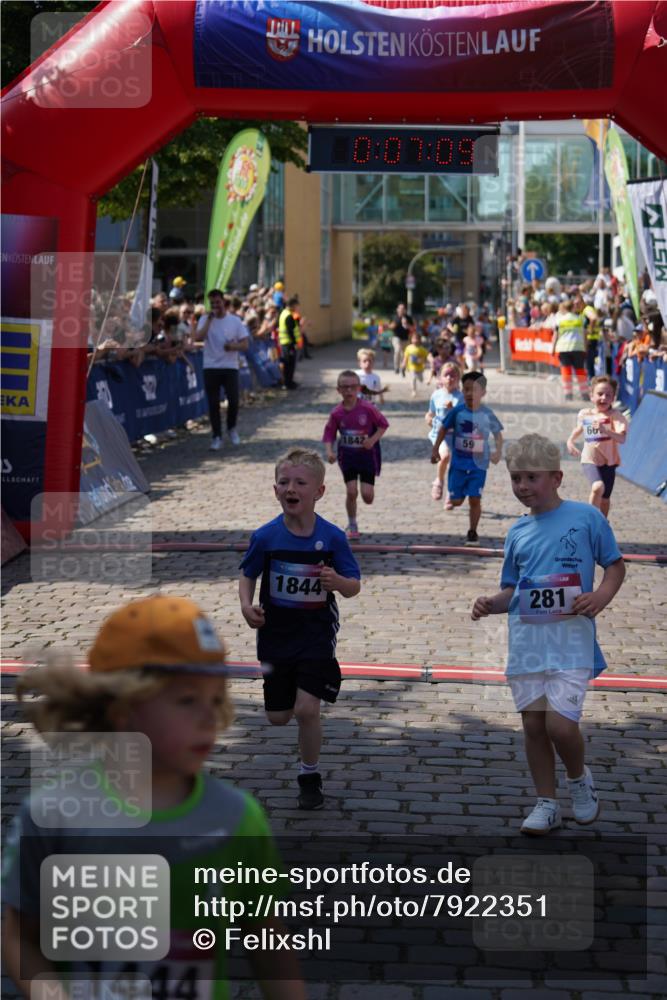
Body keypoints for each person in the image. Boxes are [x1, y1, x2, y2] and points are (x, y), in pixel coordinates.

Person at [2, 595, 305, 1000]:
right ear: (123, 708)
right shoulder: (52, 817)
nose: (208, 717)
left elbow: (268, 944)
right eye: (186, 700)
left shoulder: (236, 818)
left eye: (215, 699)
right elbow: (19, 935)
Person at [471, 434, 625, 835]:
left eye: (531, 478)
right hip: (527, 646)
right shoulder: (516, 533)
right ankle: (546, 802)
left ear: (556, 478)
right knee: (534, 726)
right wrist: (491, 602)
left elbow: (615, 566)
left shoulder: (587, 517)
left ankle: (578, 780)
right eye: (516, 478)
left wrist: (601, 597)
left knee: (560, 726)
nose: (522, 486)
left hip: (571, 644)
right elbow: (513, 590)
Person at [239, 448, 361, 810]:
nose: (290, 488)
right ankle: (296, 691)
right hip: (276, 636)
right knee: (279, 717)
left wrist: (337, 581)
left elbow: (354, 586)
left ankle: (310, 775)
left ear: (319, 492)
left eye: (299, 483)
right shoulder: (265, 537)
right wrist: (247, 607)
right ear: (275, 490)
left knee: (308, 710)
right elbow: (248, 574)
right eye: (284, 482)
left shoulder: (333, 537)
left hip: (316, 634)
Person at [431, 371, 503, 546]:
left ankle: (473, 531)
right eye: (467, 390)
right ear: (463, 391)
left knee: (475, 499)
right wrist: (435, 450)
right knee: (456, 501)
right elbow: (442, 429)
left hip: (479, 465)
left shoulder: (487, 413)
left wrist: (497, 452)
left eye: (475, 390)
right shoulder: (457, 412)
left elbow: (498, 434)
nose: (470, 394)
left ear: (483, 392)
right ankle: (455, 493)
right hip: (458, 464)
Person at [323, 370, 389, 540]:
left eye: (352, 387)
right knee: (351, 491)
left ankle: (357, 513)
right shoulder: (336, 413)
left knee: (368, 496)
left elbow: (383, 425)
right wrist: (330, 451)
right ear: (338, 390)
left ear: (359, 388)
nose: (349, 391)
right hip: (347, 457)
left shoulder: (368, 408)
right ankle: (352, 524)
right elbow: (329, 434)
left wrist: (372, 440)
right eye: (345, 387)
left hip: (367, 457)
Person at [566, 375, 628, 519]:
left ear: (613, 398)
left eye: (608, 395)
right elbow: (578, 429)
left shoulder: (616, 416)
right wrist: (570, 441)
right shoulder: (585, 414)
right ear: (591, 396)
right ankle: (591, 520)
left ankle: (603, 523)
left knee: (605, 500)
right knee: (598, 487)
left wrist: (605, 430)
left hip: (609, 462)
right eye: (600, 394)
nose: (604, 398)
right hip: (590, 459)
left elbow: (622, 439)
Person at [195, 289, 249, 451]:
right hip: (210, 366)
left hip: (230, 366)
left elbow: (245, 344)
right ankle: (216, 436)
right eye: (212, 303)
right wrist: (209, 320)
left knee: (233, 400)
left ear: (223, 302)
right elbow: (198, 337)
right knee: (213, 404)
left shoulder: (234, 321)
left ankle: (231, 428)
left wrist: (233, 346)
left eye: (217, 302)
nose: (215, 306)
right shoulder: (205, 319)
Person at [426, 362, 463, 507]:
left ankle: (450, 493)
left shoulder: (461, 397)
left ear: (458, 378)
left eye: (453, 375)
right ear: (440, 378)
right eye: (446, 375)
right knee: (445, 456)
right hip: (440, 435)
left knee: (454, 465)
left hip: (456, 436)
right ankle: (439, 481)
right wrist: (428, 419)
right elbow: (430, 413)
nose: (449, 378)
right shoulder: (436, 395)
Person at [550, 298, 589, 401]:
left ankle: (568, 394)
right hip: (578, 348)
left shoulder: (559, 320)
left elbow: (555, 335)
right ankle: (584, 394)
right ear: (573, 307)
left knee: (566, 371)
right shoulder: (581, 319)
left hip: (563, 348)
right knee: (580, 371)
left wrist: (553, 349)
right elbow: (585, 335)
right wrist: (585, 348)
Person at [278, 295, 300, 390]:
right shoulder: (288, 316)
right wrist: (295, 343)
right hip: (289, 344)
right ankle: (289, 383)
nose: (296, 308)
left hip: (284, 343)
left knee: (287, 364)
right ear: (292, 305)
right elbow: (290, 331)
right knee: (290, 365)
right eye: (296, 306)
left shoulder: (283, 313)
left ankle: (289, 382)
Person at [401, 329, 430, 397]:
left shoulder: (422, 349)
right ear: (411, 339)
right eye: (414, 339)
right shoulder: (408, 348)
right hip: (411, 367)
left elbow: (426, 357)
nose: (415, 340)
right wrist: (403, 364)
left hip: (420, 368)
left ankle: (420, 381)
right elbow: (406, 357)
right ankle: (414, 390)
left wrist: (424, 362)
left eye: (417, 339)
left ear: (420, 340)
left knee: (421, 379)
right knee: (413, 378)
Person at [390, 302, 413, 374]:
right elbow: (390, 326)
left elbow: (412, 328)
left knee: (405, 354)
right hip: (396, 337)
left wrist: (407, 324)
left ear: (405, 310)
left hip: (406, 338)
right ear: (397, 310)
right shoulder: (394, 317)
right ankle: (396, 367)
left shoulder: (408, 318)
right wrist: (396, 323)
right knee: (397, 350)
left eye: (403, 309)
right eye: (400, 308)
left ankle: (403, 367)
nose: (402, 310)